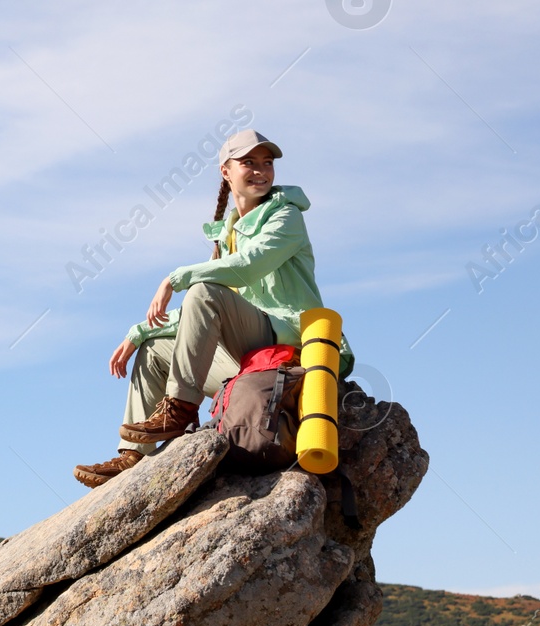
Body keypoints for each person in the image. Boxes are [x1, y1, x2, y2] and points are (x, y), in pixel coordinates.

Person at [72, 129, 350, 488]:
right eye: (248, 162)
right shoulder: (227, 233)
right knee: (155, 350)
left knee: (202, 290)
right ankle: (134, 455)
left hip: (285, 348)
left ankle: (180, 408)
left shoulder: (286, 217)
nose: (260, 171)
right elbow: (200, 315)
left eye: (267, 163)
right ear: (226, 171)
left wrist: (175, 278)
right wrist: (138, 331)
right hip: (246, 356)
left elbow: (247, 266)